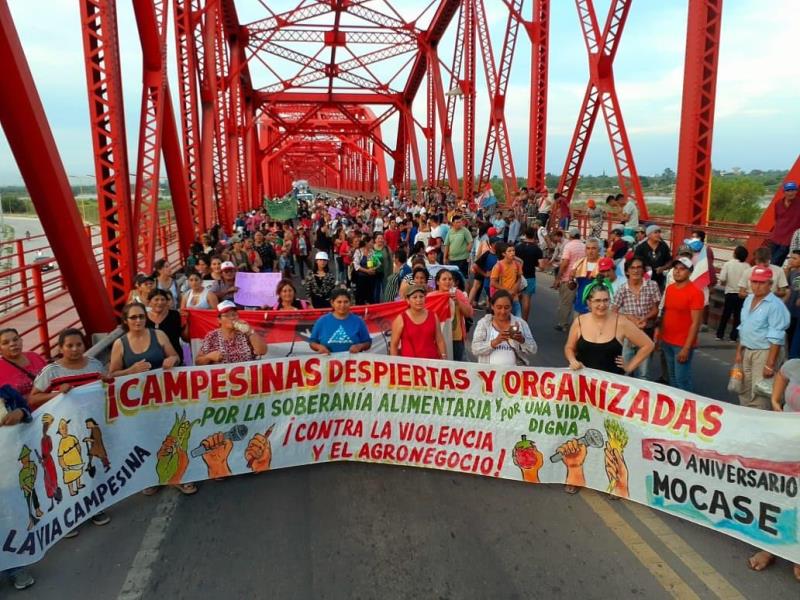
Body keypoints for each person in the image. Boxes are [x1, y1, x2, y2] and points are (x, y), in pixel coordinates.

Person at [28, 329, 112, 527]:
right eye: (69, 346)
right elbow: (33, 398)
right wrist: (57, 394)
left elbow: (103, 388)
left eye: (78, 345)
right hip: (64, 432)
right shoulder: (51, 371)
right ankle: (71, 514)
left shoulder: (94, 365)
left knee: (89, 468)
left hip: (89, 426)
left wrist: (106, 381)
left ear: (84, 345)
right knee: (69, 472)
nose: (75, 349)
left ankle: (94, 507)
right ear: (60, 348)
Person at [746, 359, 800, 580]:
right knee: (777, 496)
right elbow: (781, 376)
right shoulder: (795, 365)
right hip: (786, 445)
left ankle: (797, 555)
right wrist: (776, 403)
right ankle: (770, 548)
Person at [565, 280, 654, 377]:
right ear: (589, 303)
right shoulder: (579, 321)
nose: (602, 305)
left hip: (611, 382)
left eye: (606, 300)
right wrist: (572, 360)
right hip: (584, 380)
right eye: (597, 300)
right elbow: (569, 347)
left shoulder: (621, 322)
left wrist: (629, 367)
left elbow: (648, 345)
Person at [734, 266, 790, 409]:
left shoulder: (775, 305)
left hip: (764, 352)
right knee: (744, 389)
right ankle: (745, 416)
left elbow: (776, 336)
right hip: (747, 349)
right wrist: (739, 350)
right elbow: (744, 325)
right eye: (754, 282)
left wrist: (770, 364)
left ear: (770, 284)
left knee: (760, 392)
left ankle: (757, 419)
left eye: (762, 282)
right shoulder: (748, 299)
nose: (757, 286)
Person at [657, 257, 704, 391]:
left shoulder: (696, 292)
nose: (677, 272)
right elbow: (666, 313)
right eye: (675, 268)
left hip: (682, 344)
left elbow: (696, 323)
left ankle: (688, 402)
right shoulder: (670, 289)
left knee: (682, 380)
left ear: (690, 272)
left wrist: (686, 348)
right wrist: (660, 337)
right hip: (667, 341)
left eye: (682, 269)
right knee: (672, 377)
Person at [612, 257, 661, 379]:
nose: (636, 270)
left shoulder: (652, 285)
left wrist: (645, 318)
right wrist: (630, 318)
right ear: (627, 271)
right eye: (632, 268)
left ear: (643, 270)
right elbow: (613, 312)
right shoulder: (622, 289)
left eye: (639, 267)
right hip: (628, 334)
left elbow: (656, 309)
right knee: (625, 370)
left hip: (646, 332)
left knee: (644, 373)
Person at [108, 303, 180, 377]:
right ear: (125, 320)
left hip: (161, 382)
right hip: (135, 384)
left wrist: (173, 359)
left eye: (141, 316)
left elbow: (176, 357)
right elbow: (112, 374)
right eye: (133, 317)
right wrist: (130, 371)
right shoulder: (119, 343)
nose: (138, 320)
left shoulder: (159, 334)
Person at [471, 290, 537, 366]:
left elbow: (533, 350)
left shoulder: (521, 323)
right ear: (492, 306)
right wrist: (495, 341)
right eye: (499, 307)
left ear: (511, 307)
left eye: (506, 307)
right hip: (489, 372)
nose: (503, 312)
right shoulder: (484, 323)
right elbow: (475, 349)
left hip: (514, 372)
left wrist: (522, 340)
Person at [196, 301, 268, 365]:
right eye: (227, 315)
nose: (232, 318)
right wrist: (208, 357)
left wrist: (250, 331)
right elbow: (198, 362)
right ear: (219, 320)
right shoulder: (212, 336)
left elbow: (262, 351)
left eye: (234, 314)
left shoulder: (245, 333)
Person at [389, 285, 447, 359]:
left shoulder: (433, 316)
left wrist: (444, 357)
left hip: (432, 362)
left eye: (421, 296)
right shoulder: (401, 319)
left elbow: (440, 340)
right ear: (408, 300)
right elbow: (394, 345)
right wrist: (395, 363)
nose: (419, 300)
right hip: (410, 364)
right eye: (415, 297)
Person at [308, 289, 372, 355]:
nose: (342, 305)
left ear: (350, 303)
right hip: (327, 360)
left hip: (353, 361)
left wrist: (360, 346)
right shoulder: (322, 321)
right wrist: (319, 347)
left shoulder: (358, 321)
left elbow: (367, 342)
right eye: (339, 302)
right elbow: (312, 342)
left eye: (346, 302)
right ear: (332, 303)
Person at [435, 269, 474, 361]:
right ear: (437, 282)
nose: (447, 282)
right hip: (438, 338)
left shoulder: (458, 293)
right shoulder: (432, 296)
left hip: (456, 338)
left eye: (450, 279)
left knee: (458, 365)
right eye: (444, 279)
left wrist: (458, 302)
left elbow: (468, 313)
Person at [0, 327, 47, 402]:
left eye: (15, 339)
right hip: (24, 408)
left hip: (50, 402)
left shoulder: (34, 356)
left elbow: (52, 377)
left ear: (21, 341)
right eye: (5, 343)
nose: (12, 344)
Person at [553, 228, 585, 331]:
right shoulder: (584, 246)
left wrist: (558, 278)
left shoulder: (569, 246)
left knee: (565, 302)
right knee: (578, 303)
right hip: (581, 278)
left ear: (570, 236)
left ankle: (563, 324)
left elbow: (565, 263)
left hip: (568, 278)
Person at [716, 245, 749, 341]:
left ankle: (720, 334)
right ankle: (733, 337)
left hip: (730, 292)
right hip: (742, 294)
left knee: (726, 314)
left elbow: (722, 279)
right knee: (737, 316)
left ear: (735, 254)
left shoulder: (728, 264)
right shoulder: (747, 266)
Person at [515, 227, 544, 322]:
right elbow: (541, 266)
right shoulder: (537, 250)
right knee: (526, 299)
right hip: (530, 276)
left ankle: (515, 319)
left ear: (525, 235)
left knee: (516, 298)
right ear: (534, 235)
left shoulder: (518, 247)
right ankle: (524, 321)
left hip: (517, 276)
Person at [146, 289, 183, 362]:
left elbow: (184, 337)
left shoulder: (175, 315)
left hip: (173, 359)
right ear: (149, 302)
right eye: (156, 299)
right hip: (150, 360)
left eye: (163, 299)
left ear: (167, 302)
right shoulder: (143, 317)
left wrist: (186, 323)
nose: (160, 302)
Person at [769, 180, 800, 266]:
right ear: (784, 192)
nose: (791, 193)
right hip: (776, 237)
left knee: (775, 262)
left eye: (793, 190)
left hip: (789, 239)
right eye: (788, 190)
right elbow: (777, 219)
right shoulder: (778, 203)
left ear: (796, 191)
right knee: (771, 261)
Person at [490, 242, 524, 317]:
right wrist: (508, 291)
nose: (512, 253)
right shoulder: (498, 266)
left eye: (513, 250)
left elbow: (519, 278)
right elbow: (493, 282)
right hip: (503, 300)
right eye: (509, 251)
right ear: (503, 254)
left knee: (518, 321)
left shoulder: (517, 264)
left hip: (514, 299)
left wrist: (514, 290)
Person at [634, 225, 671, 289]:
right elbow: (635, 263)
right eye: (655, 232)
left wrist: (663, 268)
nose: (658, 234)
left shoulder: (663, 246)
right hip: (644, 279)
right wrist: (644, 269)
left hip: (659, 281)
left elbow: (669, 261)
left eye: (659, 232)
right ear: (648, 235)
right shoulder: (640, 248)